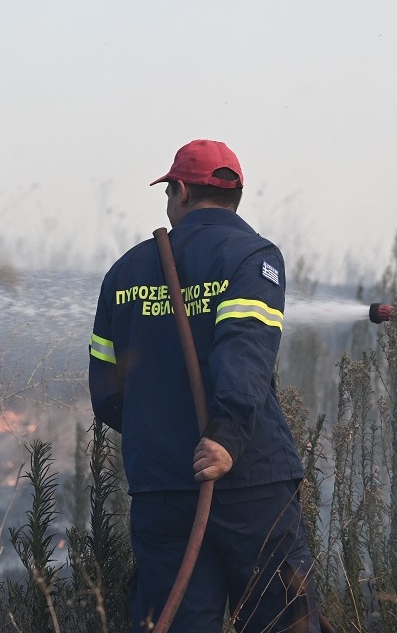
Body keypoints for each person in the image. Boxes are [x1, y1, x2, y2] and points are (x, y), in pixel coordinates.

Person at [88, 140, 320, 631]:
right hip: (248, 483)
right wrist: (226, 438)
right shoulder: (251, 257)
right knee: (280, 619)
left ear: (179, 192)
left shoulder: (126, 272)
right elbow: (246, 351)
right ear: (236, 196)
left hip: (164, 491)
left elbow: (107, 393)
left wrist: (160, 435)